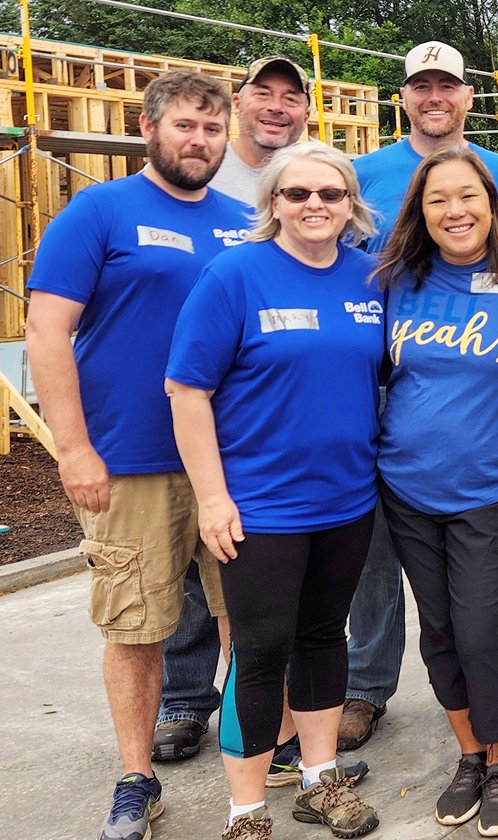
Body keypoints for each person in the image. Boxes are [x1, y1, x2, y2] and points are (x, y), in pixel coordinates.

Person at [24, 71, 249, 840]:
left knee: (246, 619)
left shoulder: (244, 223)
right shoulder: (101, 211)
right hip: (132, 459)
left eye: (213, 128)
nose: (200, 140)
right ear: (149, 129)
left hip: (232, 460)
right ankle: (136, 779)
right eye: (185, 125)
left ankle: (257, 756)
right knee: (135, 626)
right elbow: (47, 330)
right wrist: (73, 449)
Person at [165, 141, 385, 840]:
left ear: (351, 204)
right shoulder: (235, 275)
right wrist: (212, 498)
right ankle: (246, 810)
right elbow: (186, 391)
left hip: (347, 502)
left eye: (331, 193)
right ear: (273, 204)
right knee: (260, 654)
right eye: (298, 193)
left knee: (323, 639)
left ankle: (320, 781)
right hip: (261, 508)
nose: (315, 204)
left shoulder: (369, 277)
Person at [339, 40, 498, 753]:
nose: (434, 96)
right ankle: (375, 691)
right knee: (408, 601)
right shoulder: (367, 183)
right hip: (402, 444)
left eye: (446, 84)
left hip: (491, 459)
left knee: (477, 624)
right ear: (405, 97)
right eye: (420, 85)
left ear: (468, 95)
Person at [375, 145, 498, 837]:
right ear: (419, 211)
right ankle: (470, 755)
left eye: (468, 196)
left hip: (491, 488)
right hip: (406, 486)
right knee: (440, 630)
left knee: (480, 629)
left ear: (491, 203)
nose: (455, 210)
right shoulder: (395, 279)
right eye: (438, 199)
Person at [154, 54, 311, 766]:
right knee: (190, 581)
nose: (277, 106)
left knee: (244, 598)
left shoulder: (304, 178)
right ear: (240, 102)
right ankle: (188, 701)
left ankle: (277, 727)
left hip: (259, 424)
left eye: (291, 96)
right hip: (176, 408)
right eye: (263, 93)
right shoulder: (195, 180)